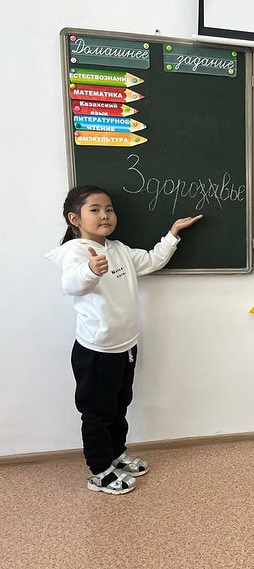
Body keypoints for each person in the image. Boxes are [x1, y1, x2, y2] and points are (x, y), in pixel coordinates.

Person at [46, 186, 202, 494]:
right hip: (97, 350)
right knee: (97, 412)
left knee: (119, 405)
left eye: (109, 209)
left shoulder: (118, 249)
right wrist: (90, 270)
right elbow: (72, 284)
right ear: (75, 218)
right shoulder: (75, 252)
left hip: (125, 346)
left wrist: (172, 234)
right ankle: (99, 471)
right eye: (95, 209)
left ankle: (116, 454)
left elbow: (152, 260)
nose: (105, 215)